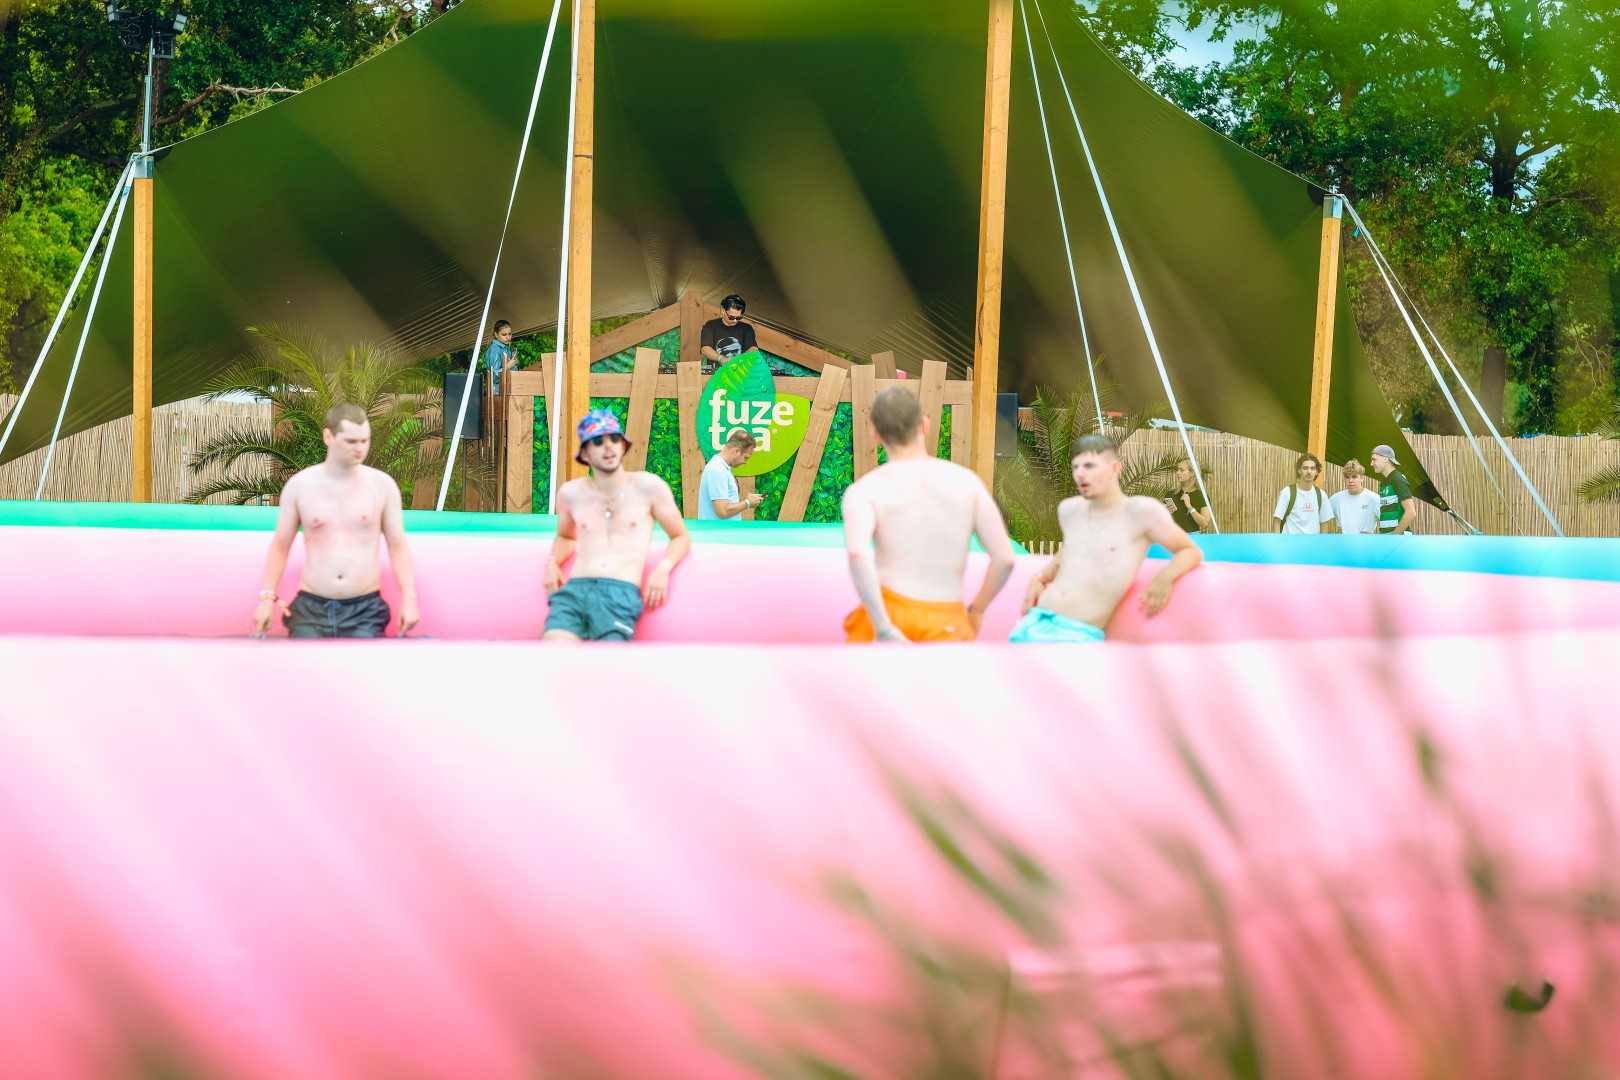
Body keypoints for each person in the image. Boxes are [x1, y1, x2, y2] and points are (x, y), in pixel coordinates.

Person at [841, 388, 1016, 642]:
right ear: (924, 425)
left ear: (876, 434)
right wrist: (977, 609)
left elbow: (858, 554)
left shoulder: (865, 490)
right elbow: (1005, 560)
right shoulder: (967, 483)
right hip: (946, 618)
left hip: (889, 610)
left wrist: (883, 628)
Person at [252, 403, 419, 638]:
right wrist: (267, 598)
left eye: (365, 440)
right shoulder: (300, 486)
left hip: (365, 609)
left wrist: (409, 599)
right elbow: (280, 546)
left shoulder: (383, 486)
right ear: (328, 436)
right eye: (351, 441)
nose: (360, 448)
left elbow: (398, 547)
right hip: (311, 607)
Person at [1014, 434, 1202, 643]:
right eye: (1076, 467)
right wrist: (1040, 578)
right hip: (1034, 619)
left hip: (1076, 633)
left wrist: (1164, 577)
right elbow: (1069, 550)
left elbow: (1190, 550)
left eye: (1089, 466)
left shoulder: (1140, 512)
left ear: (1114, 468)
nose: (1080, 474)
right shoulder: (1070, 510)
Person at [543, 409, 690, 641]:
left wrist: (663, 568)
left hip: (619, 592)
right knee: (554, 652)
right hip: (574, 591)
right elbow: (566, 537)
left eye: (614, 438)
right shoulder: (571, 493)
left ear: (622, 446)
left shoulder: (649, 487)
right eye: (598, 441)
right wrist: (552, 563)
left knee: (610, 659)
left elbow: (681, 536)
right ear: (585, 454)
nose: (608, 446)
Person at [698, 428, 766, 520]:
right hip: (718, 529)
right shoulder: (717, 469)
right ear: (737, 451)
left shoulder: (721, 468)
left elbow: (725, 505)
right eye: (745, 457)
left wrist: (747, 500)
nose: (745, 462)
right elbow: (722, 511)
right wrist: (747, 503)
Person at [1273, 453, 1335, 534]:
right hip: (1290, 541)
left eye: (1312, 468)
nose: (1309, 471)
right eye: (1305, 468)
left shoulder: (1321, 495)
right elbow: (1277, 521)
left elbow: (1324, 523)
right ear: (1299, 470)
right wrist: (1278, 541)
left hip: (1313, 542)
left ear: (1317, 471)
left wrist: (1322, 541)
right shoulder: (1287, 493)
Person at [699, 295, 759, 368]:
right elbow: (705, 349)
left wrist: (739, 360)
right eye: (731, 317)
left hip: (740, 371)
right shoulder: (711, 325)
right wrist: (721, 358)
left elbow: (754, 349)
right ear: (723, 311)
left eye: (738, 317)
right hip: (716, 372)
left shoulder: (747, 328)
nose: (735, 320)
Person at [1370, 443, 1417, 534]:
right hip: (1389, 537)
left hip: (1399, 538)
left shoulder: (1398, 479)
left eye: (1374, 459)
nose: (1371, 464)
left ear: (1385, 459)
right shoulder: (1384, 482)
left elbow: (1411, 512)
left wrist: (1394, 536)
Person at [1330, 459, 1382, 535]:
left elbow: (1390, 522)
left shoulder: (1373, 498)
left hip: (1364, 542)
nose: (1350, 481)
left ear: (1362, 478)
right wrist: (1332, 535)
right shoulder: (1336, 499)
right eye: (1347, 477)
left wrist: (1374, 537)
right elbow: (1322, 518)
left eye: (1354, 477)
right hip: (1342, 541)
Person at [1164, 458, 1212, 534]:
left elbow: (1204, 524)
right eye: (1178, 470)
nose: (1177, 473)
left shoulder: (1201, 496)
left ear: (1192, 473)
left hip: (1193, 538)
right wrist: (1164, 512)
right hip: (1172, 537)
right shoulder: (1170, 494)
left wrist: (1189, 507)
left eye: (1182, 470)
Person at [483, 320, 515, 395]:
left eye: (510, 334)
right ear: (496, 334)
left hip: (507, 389)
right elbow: (493, 377)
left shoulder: (505, 348)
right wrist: (507, 366)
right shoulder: (495, 350)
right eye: (504, 335)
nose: (508, 337)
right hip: (497, 392)